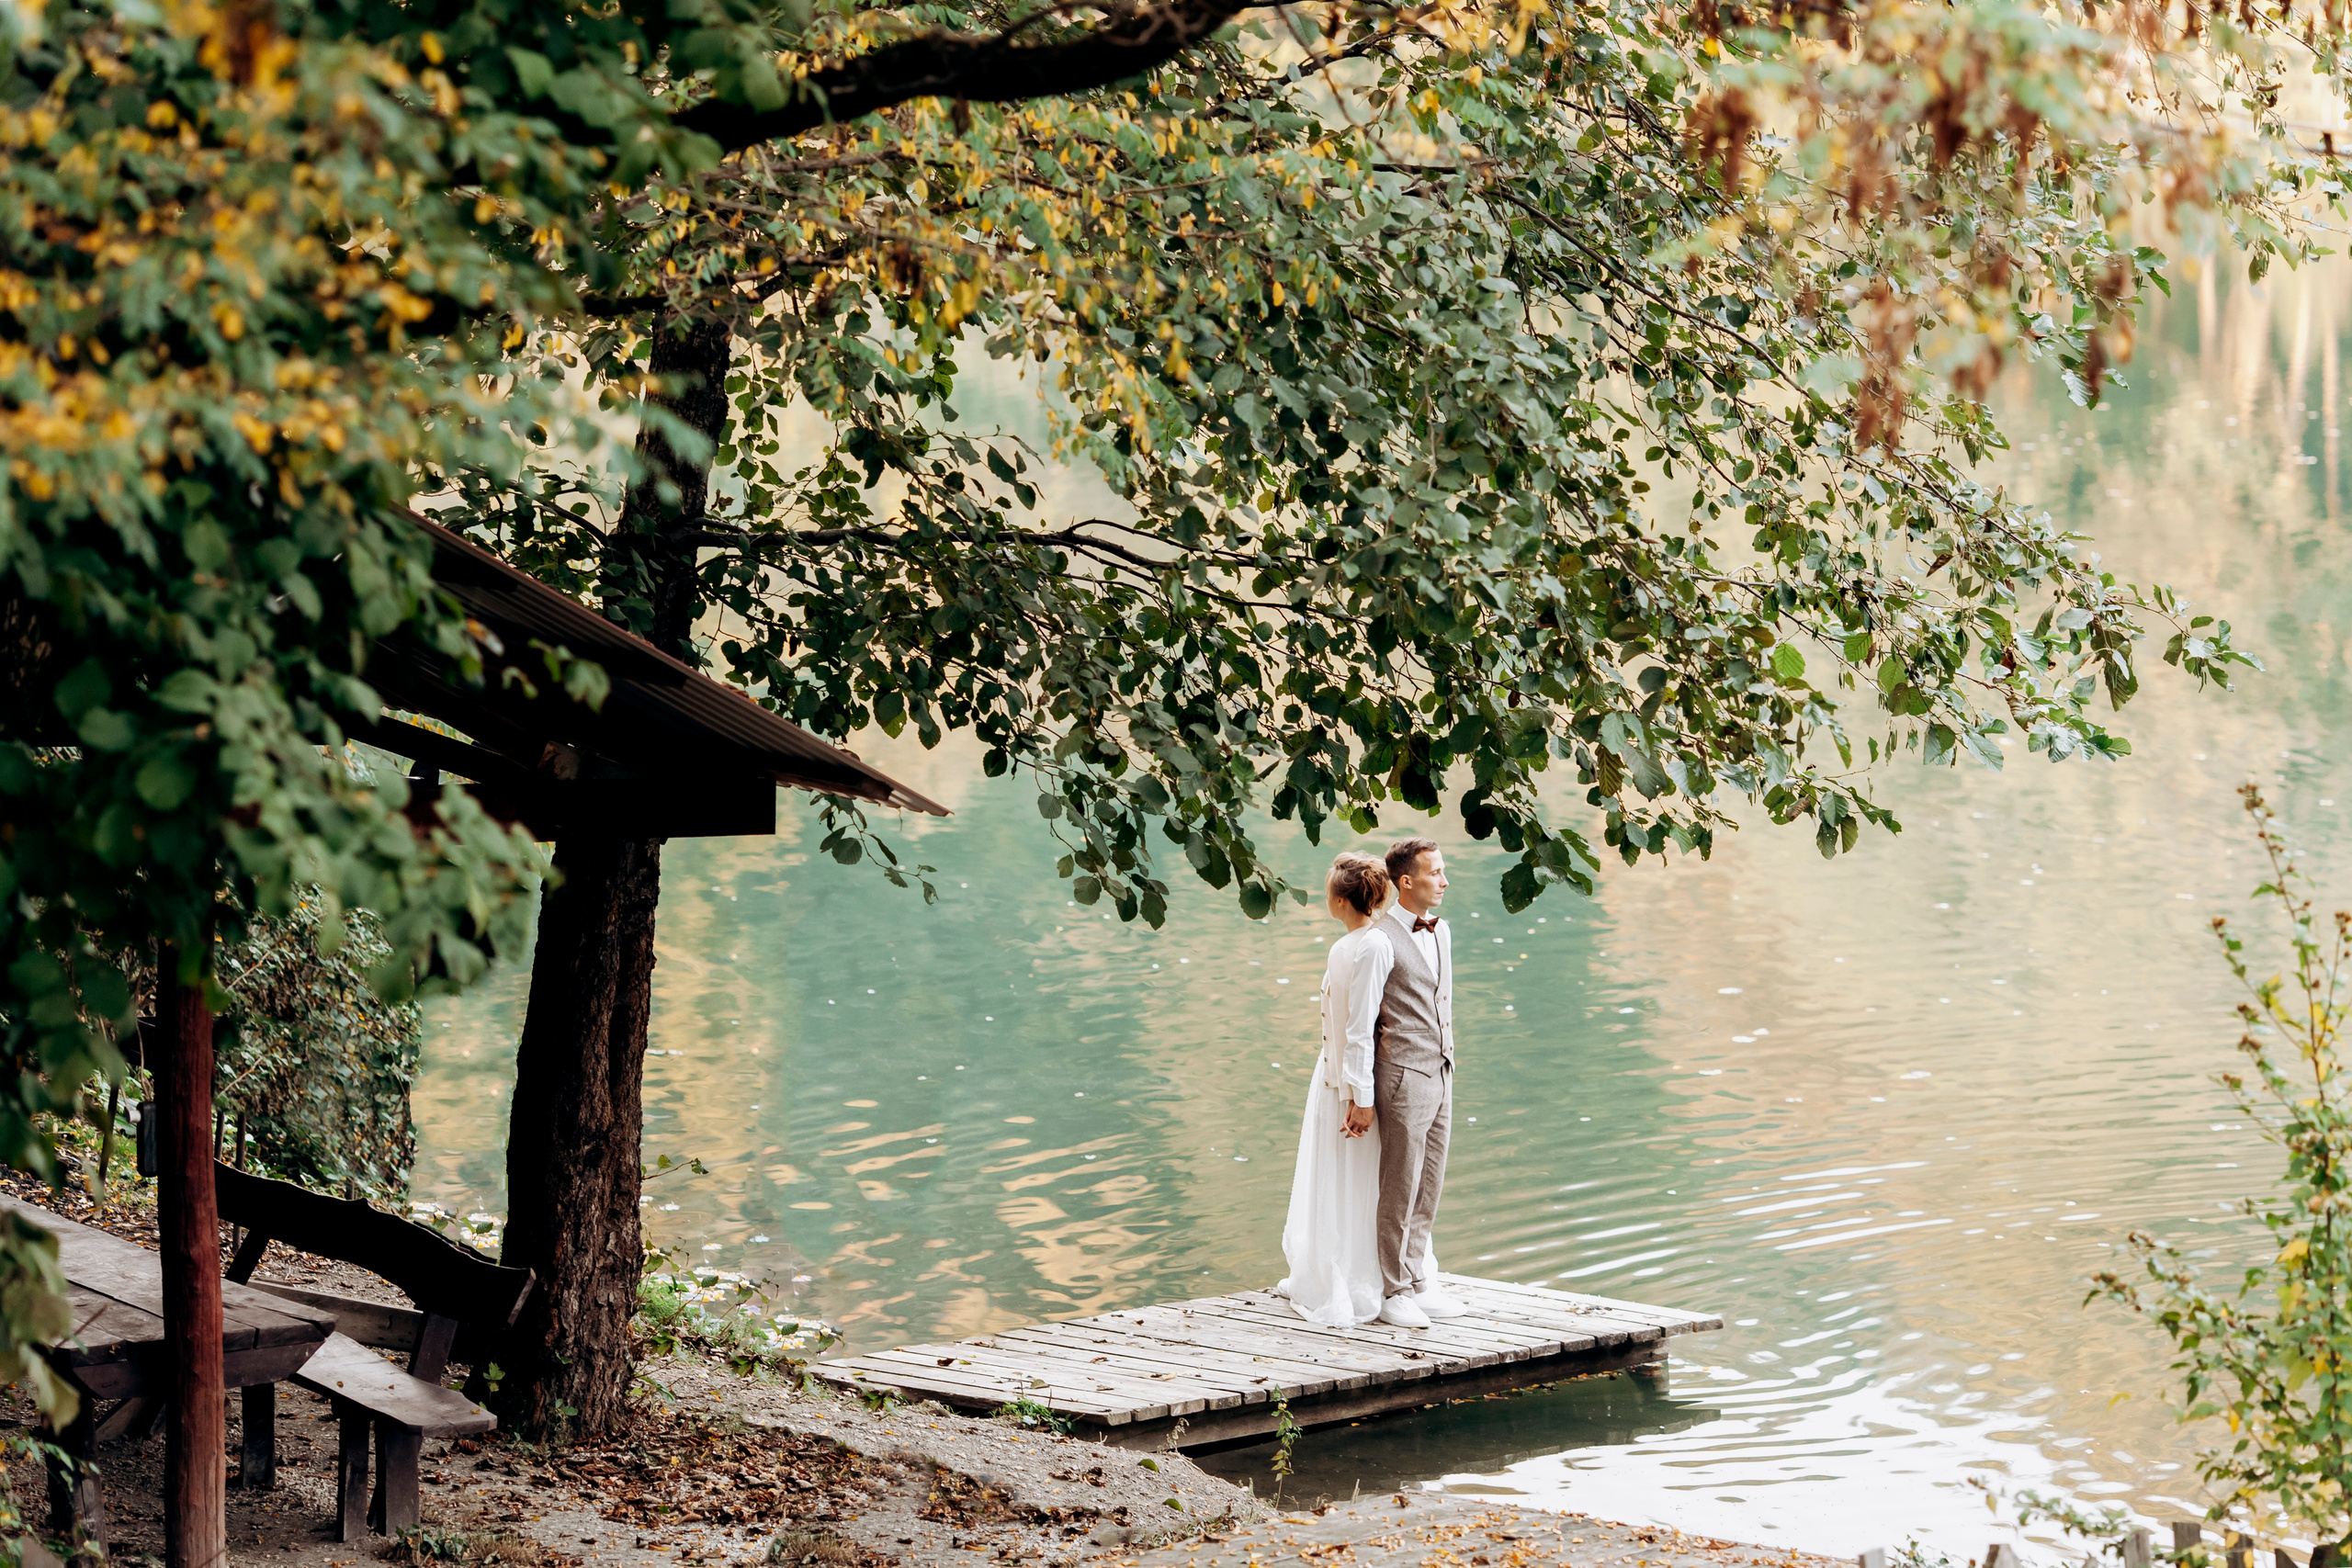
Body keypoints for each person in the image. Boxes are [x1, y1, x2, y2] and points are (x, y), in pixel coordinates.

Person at [1347, 836, 1464, 1329]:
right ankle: (1393, 1290)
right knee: (1400, 1184)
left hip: (1441, 1070)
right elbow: (1359, 1026)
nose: (1443, 880)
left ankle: (1416, 1280)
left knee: (1430, 1182)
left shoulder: (1442, 931)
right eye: (1434, 873)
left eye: (1442, 871)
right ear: (1405, 882)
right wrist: (1363, 1096)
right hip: (1400, 1078)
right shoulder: (1378, 941)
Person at [1272, 852, 1393, 1326]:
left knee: (1352, 1177)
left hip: (1348, 1083)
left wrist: (1358, 1098)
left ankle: (1355, 1271)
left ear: (1341, 900)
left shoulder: (1368, 948)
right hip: (1333, 1077)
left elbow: (1361, 1028)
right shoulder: (1350, 945)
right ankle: (1327, 1266)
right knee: (1334, 1175)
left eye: (1328, 893)